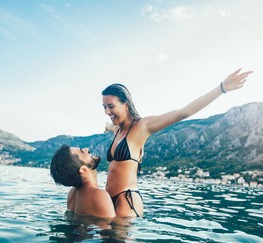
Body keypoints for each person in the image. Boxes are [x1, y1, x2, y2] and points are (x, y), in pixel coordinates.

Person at [102, 68, 253, 217]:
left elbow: (184, 112)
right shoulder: (117, 130)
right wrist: (107, 127)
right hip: (109, 200)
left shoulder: (143, 126)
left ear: (126, 104)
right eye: (105, 107)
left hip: (126, 200)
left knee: (116, 242)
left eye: (111, 106)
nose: (107, 112)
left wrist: (221, 88)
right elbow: (110, 127)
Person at [50, 144, 116, 218]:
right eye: (82, 152)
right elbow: (113, 227)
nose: (86, 149)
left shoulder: (72, 193)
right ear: (83, 169)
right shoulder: (99, 195)